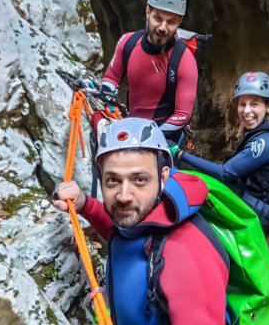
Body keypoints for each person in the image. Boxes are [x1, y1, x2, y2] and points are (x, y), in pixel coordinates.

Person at [53, 117, 229, 324]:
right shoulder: (146, 218)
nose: (124, 195)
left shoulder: (187, 255)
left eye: (139, 180)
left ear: (163, 178)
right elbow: (127, 233)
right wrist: (85, 205)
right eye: (113, 180)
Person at [168, 72, 269, 238]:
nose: (247, 111)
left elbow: (225, 173)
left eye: (254, 104)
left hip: (257, 216)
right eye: (242, 104)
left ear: (268, 106)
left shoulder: (266, 141)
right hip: (251, 206)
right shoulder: (260, 132)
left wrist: (180, 154)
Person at [99, 0, 198, 144]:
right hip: (130, 127)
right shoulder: (128, 42)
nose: (163, 27)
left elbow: (182, 115)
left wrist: (150, 136)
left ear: (179, 23)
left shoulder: (184, 60)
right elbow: (111, 78)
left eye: (171, 22)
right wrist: (107, 100)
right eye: (158, 18)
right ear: (147, 12)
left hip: (165, 136)